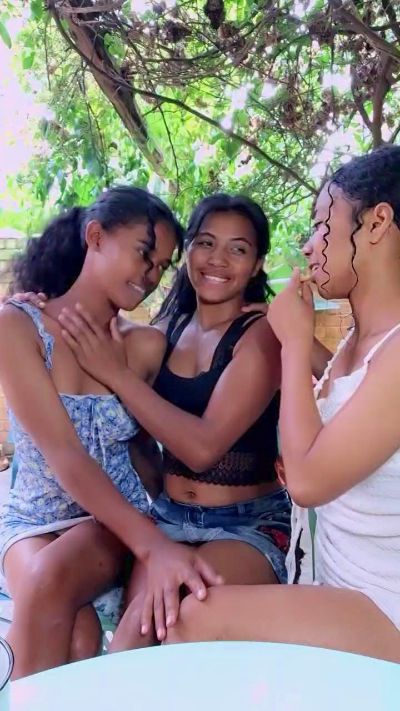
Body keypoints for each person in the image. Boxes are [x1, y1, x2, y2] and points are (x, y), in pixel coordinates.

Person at [151, 146, 400, 664]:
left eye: (322, 224)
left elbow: (306, 482)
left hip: (382, 603)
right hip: (331, 581)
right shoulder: (357, 345)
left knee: (192, 620)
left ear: (377, 224)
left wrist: (292, 341)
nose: (309, 246)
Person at [0, 186, 221, 679]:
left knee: (52, 585)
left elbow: (155, 436)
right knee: (77, 634)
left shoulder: (145, 346)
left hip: (111, 521)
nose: (150, 274)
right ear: (95, 237)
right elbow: (65, 455)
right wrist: (154, 546)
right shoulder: (18, 326)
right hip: (32, 519)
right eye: (144, 253)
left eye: (161, 266)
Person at [55, 194, 292, 650]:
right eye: (206, 243)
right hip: (169, 517)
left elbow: (202, 449)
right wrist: (32, 307)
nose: (218, 259)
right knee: (129, 643)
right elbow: (135, 430)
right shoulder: (167, 330)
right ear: (188, 254)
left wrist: (118, 376)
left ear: (258, 264)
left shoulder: (262, 337)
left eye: (238, 249)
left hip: (245, 525)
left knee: (175, 626)